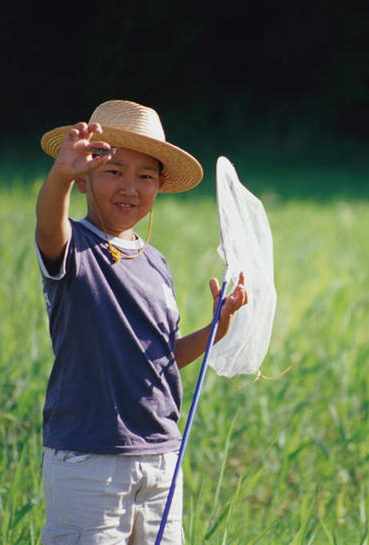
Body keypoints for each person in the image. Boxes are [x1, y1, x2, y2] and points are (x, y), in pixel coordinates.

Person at [35, 100, 248, 545]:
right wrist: (59, 178)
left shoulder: (156, 264)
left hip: (160, 458)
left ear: (160, 186)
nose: (129, 187)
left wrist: (216, 329)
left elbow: (162, 360)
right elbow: (48, 226)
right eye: (114, 170)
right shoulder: (74, 247)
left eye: (145, 176)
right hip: (90, 460)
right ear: (85, 177)